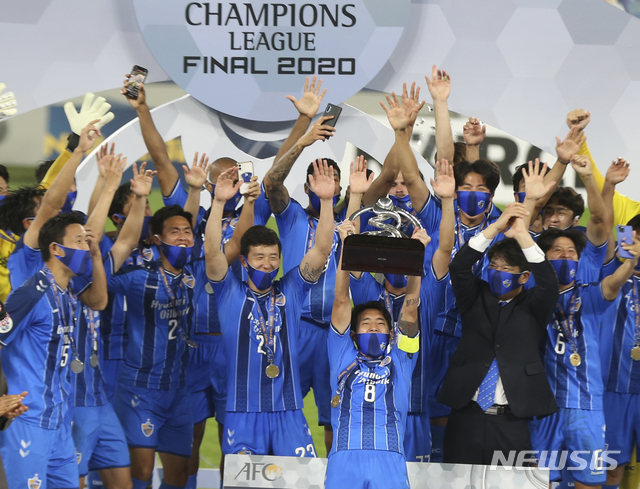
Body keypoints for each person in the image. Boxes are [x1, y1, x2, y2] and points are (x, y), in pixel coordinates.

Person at [206, 160, 336, 457]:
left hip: (289, 412)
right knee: (243, 480)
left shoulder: (291, 289)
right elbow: (212, 253)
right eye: (259, 257)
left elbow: (321, 250)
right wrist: (218, 203)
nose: (267, 264)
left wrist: (327, 202)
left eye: (273, 257)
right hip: (243, 412)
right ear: (243, 261)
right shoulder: (228, 292)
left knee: (302, 478)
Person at [348, 158, 456, 463]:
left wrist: (448, 201)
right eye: (391, 253)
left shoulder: (427, 294)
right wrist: (355, 196)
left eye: (404, 253)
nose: (397, 261)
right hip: (372, 414)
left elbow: (445, 249)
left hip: (414, 412)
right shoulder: (368, 293)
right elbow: (349, 247)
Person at [438, 204, 560, 465]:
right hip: (465, 416)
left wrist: (522, 235)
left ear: (524, 277)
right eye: (494, 266)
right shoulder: (475, 296)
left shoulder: (534, 305)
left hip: (511, 422)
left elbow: (549, 282)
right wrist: (495, 227)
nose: (497, 272)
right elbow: (459, 266)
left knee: (510, 482)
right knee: (457, 482)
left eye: (506, 269)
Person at [0, 212, 107, 489]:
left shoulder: (68, 292)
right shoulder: (31, 294)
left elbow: (99, 301)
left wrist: (96, 254)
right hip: (26, 419)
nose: (86, 247)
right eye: (79, 241)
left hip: (58, 421)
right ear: (56, 249)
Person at [325, 218, 421, 489]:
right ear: (353, 334)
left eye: (380, 323)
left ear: (392, 334)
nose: (373, 327)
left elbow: (410, 309)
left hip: (389, 459)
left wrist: (417, 257)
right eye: (365, 323)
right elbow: (341, 300)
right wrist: (346, 248)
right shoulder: (342, 355)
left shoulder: (402, 359)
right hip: (344, 458)